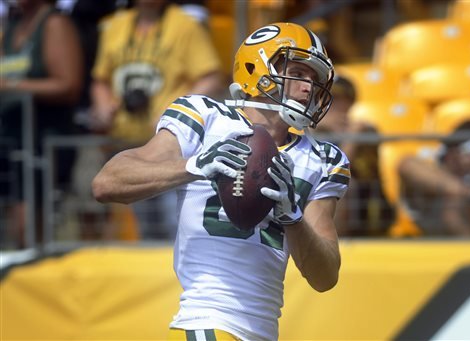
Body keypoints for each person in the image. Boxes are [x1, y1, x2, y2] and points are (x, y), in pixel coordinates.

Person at [92, 22, 350, 340]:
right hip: (209, 319)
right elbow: (107, 183)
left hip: (263, 330)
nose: (308, 88)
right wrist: (195, 165)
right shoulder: (205, 116)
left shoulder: (324, 158)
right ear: (258, 69)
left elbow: (325, 278)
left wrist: (292, 217)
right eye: (298, 73)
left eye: (314, 80)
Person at [87, 0, 225, 240]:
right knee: (147, 230)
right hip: (126, 144)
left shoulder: (185, 25)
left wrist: (175, 112)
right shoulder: (115, 25)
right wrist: (102, 104)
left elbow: (212, 77)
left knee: (175, 224)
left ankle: (174, 276)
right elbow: (100, 80)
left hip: (172, 146)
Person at [0, 0, 84, 248]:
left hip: (44, 143)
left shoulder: (55, 23)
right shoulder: (13, 25)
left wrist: (10, 87)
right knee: (16, 229)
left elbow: (68, 84)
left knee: (32, 229)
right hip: (13, 138)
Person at [398, 60, 470, 237]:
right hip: (459, 196)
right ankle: (463, 192)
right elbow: (438, 167)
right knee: (408, 162)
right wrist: (455, 168)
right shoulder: (468, 127)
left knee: (452, 210)